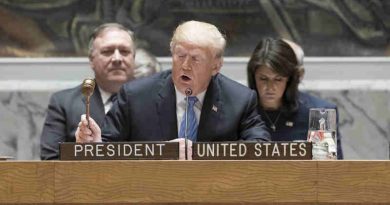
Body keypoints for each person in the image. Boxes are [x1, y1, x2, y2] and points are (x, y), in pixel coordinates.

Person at [76, 20, 271, 156]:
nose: (185, 65)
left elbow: (260, 147)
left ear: (216, 66)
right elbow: (107, 148)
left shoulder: (240, 99)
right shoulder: (136, 97)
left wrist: (202, 154)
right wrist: (95, 145)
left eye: (195, 58)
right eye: (180, 55)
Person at [40, 23, 159, 160]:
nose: (117, 59)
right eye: (107, 52)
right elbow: (50, 162)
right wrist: (82, 153)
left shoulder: (154, 102)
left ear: (133, 58)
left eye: (124, 51)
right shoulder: (64, 103)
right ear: (91, 60)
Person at [246, 38, 343, 159]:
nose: (270, 87)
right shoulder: (240, 112)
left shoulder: (320, 115)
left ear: (290, 79)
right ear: (253, 77)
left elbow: (326, 171)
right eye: (263, 79)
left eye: (278, 79)